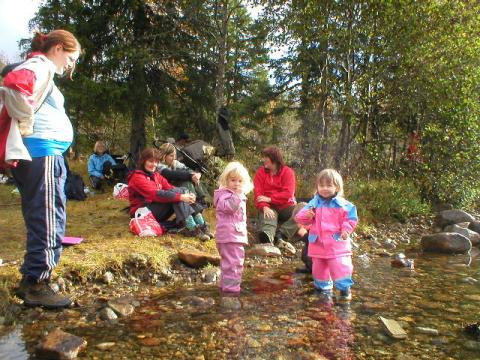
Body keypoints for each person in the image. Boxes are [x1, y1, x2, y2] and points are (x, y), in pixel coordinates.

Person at [0, 30, 81, 308]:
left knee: (47, 212)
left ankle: (37, 276)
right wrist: (26, 122)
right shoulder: (40, 65)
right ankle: (36, 282)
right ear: (58, 48)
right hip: (41, 152)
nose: (71, 65)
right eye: (71, 58)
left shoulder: (40, 67)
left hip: (44, 153)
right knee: (47, 215)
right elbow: (14, 84)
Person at [294, 169, 358, 301]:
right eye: (321, 185)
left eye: (329, 185)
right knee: (319, 269)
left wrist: (346, 230)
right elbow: (299, 218)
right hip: (318, 245)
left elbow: (351, 218)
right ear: (317, 187)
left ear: (337, 187)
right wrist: (307, 216)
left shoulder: (343, 205)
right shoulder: (313, 203)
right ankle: (323, 289)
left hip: (337, 244)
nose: (325, 189)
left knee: (340, 268)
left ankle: (344, 290)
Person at [127, 147, 210, 241]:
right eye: (150, 161)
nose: (154, 164)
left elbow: (170, 188)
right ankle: (191, 227)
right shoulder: (137, 177)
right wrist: (181, 197)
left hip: (154, 209)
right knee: (179, 195)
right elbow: (156, 194)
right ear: (143, 161)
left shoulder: (156, 175)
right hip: (142, 213)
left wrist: (189, 195)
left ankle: (200, 224)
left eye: (156, 162)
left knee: (182, 190)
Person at [253, 146, 301, 255]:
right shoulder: (260, 173)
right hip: (269, 207)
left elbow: (288, 193)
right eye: (263, 157)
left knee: (304, 209)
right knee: (269, 216)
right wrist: (264, 206)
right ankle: (268, 240)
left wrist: (270, 198)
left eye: (266, 157)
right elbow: (258, 194)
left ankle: (281, 235)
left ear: (274, 158)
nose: (263, 159)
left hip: (286, 206)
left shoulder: (288, 172)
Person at [214, 161, 253, 294]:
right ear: (226, 180)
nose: (236, 184)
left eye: (240, 181)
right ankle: (231, 290)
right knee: (234, 263)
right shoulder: (226, 195)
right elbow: (229, 208)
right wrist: (237, 196)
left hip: (233, 235)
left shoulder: (236, 196)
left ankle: (225, 287)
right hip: (230, 236)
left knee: (230, 263)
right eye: (233, 180)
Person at [157, 142, 212, 207]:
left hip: (175, 187)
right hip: (166, 191)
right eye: (171, 156)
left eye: (175, 155)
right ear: (164, 156)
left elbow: (187, 169)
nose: (174, 158)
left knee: (193, 176)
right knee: (185, 179)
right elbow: (170, 174)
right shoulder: (158, 165)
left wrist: (195, 174)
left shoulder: (174, 162)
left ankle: (204, 199)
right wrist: (190, 176)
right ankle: (195, 202)